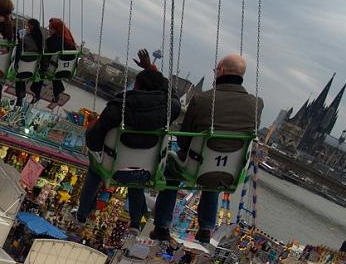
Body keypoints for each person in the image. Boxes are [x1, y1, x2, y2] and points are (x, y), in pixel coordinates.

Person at [150, 53, 264, 244]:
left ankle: (162, 225)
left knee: (173, 166)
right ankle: (206, 228)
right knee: (215, 170)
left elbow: (183, 140)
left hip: (198, 166)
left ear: (221, 71)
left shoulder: (202, 99)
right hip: (230, 172)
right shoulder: (256, 104)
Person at [75, 50, 180, 229]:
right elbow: (172, 93)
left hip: (114, 168)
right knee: (136, 170)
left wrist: (92, 127)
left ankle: (83, 213)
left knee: (95, 167)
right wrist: (151, 69)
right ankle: (135, 221)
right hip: (145, 170)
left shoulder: (118, 107)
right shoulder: (170, 109)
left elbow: (93, 141)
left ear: (136, 87)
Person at [30, 18, 76, 104]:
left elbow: (46, 54)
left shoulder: (51, 41)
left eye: (51, 28)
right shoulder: (70, 42)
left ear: (56, 30)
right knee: (55, 71)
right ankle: (57, 91)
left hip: (54, 68)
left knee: (41, 70)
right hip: (67, 70)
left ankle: (36, 92)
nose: (49, 30)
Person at [14, 18, 44, 104]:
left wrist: (20, 38)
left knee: (20, 74)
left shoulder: (27, 39)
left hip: (22, 65)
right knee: (22, 77)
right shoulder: (39, 40)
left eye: (27, 25)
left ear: (31, 26)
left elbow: (20, 47)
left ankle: (20, 96)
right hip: (32, 68)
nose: (26, 27)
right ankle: (20, 97)